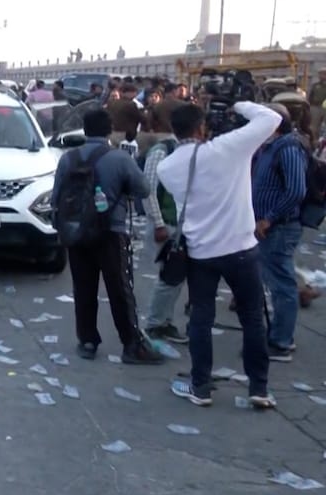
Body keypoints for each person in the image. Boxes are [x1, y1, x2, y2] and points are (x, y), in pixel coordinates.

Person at [157, 102, 280, 408]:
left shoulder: (166, 167)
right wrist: (238, 104)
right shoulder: (229, 148)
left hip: (201, 254)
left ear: (174, 131)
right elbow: (272, 117)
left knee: (201, 319)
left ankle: (200, 387)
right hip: (241, 248)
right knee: (253, 319)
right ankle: (259, 388)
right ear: (202, 128)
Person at [51, 108, 162, 364]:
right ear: (109, 129)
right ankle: (131, 345)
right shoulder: (120, 158)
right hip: (111, 232)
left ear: (85, 130)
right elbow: (143, 189)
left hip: (77, 232)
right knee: (120, 290)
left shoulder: (68, 159)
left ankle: (87, 341)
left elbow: (57, 196)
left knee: (84, 288)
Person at [251, 103, 307, 363]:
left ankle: (281, 342)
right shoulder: (270, 147)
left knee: (282, 285)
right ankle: (281, 334)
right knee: (277, 283)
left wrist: (269, 219)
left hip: (279, 227)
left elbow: (296, 190)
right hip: (270, 226)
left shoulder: (288, 147)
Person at [140, 125, 186, 343]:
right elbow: (148, 190)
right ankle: (155, 324)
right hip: (166, 224)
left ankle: (164, 321)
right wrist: (158, 223)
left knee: (174, 278)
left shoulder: (185, 151)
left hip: (180, 224)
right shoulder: (162, 151)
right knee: (170, 276)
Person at [107, 82, 142, 147]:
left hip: (112, 133)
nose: (135, 94)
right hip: (125, 135)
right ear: (127, 93)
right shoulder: (131, 104)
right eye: (133, 92)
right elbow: (140, 118)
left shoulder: (111, 103)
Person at [309, 68, 326, 141]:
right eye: (320, 74)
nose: (322, 76)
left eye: (323, 74)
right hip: (315, 107)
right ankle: (314, 142)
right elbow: (310, 96)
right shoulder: (315, 85)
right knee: (314, 127)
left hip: (325, 108)